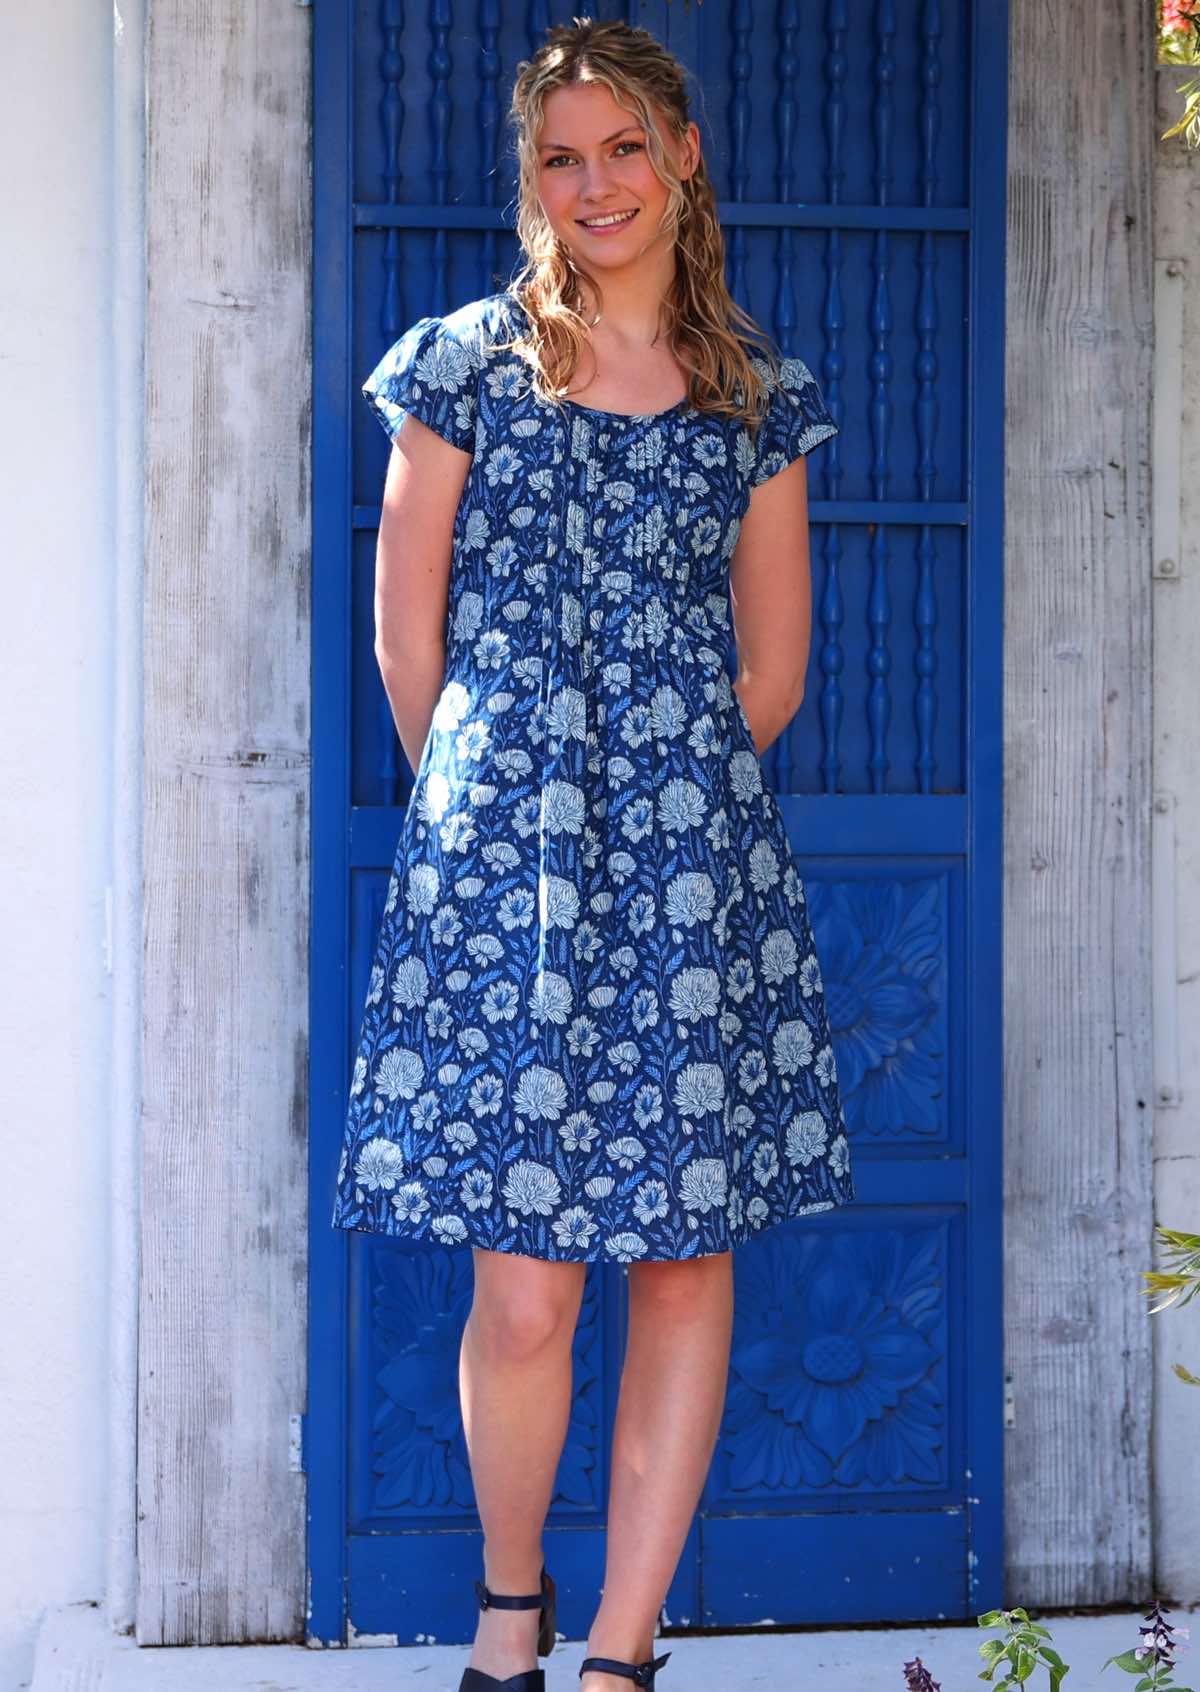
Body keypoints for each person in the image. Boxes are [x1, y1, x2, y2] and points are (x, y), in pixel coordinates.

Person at [330, 17, 856, 1692]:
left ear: (683, 156)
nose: (595, 184)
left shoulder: (754, 397)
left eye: (623, 146)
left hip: (697, 878)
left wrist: (659, 794)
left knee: (686, 1262)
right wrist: (504, 807)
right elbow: (405, 644)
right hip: (500, 881)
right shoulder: (464, 366)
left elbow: (771, 675)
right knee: (528, 1284)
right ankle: (510, 1608)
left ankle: (622, 1655)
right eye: (562, 155)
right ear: (532, 179)